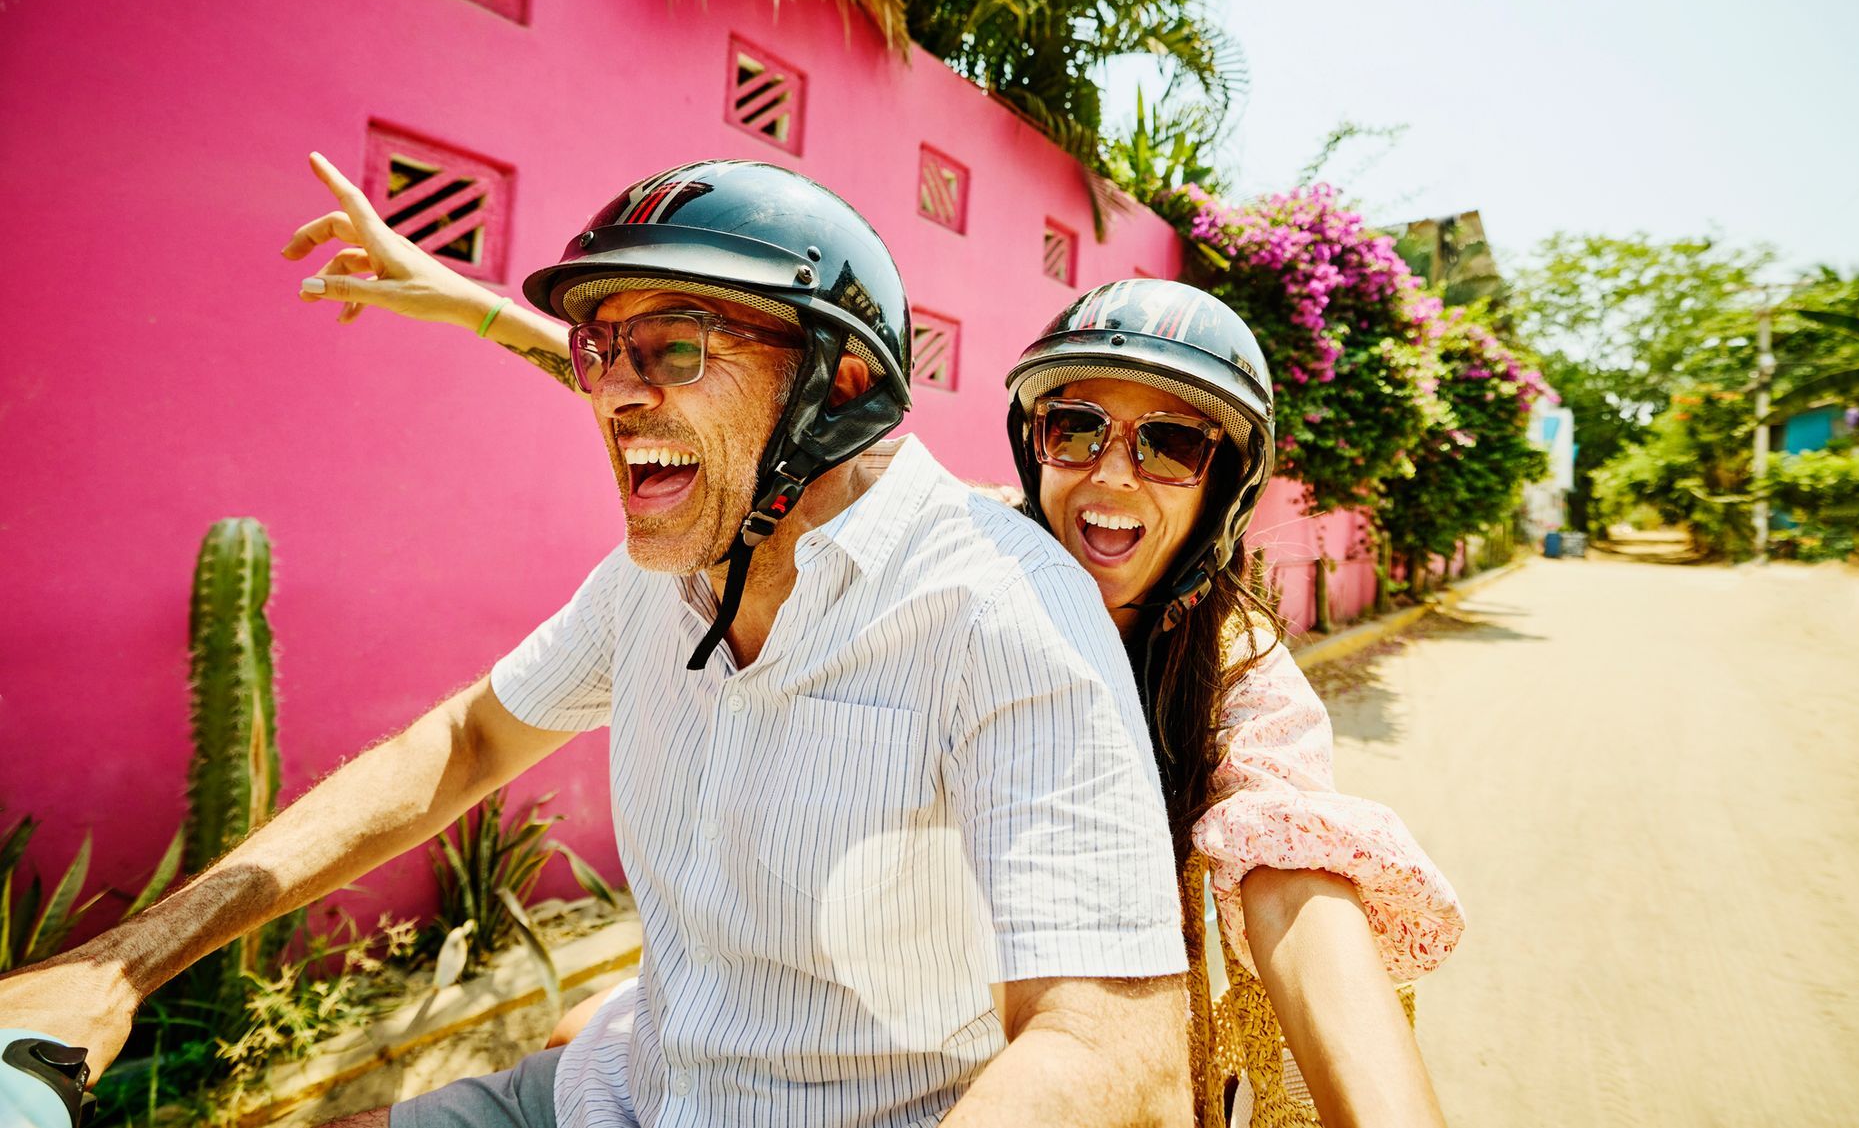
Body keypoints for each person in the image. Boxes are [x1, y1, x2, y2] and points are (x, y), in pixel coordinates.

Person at [0, 156, 1197, 1128]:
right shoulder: (662, 573)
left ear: (837, 384)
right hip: (609, 1094)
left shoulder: (1003, 610)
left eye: (674, 348)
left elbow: (1112, 1043)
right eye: (599, 350)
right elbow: (467, 743)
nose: (615, 394)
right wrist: (120, 963)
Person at [278, 172, 1465, 1127]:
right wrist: (464, 298)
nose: (1109, 472)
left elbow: (1295, 892)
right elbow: (726, 416)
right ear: (1031, 435)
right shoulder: (971, 563)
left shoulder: (1235, 665)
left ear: (1223, 490)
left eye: (1169, 446)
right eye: (1075, 425)